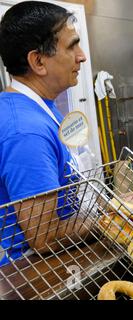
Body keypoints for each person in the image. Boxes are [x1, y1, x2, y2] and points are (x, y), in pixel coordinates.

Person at [0, 1, 91, 266]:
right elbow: (44, 237)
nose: (82, 56)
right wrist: (110, 216)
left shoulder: (40, 108)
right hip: (35, 277)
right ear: (38, 61)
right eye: (72, 45)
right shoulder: (26, 132)